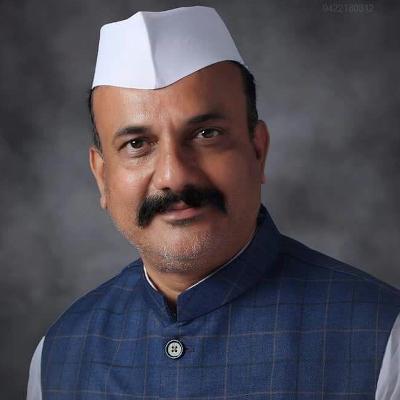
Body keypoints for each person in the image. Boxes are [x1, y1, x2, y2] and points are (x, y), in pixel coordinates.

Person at [27, 6, 400, 399]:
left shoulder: (382, 339)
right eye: (137, 144)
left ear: (258, 151)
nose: (174, 176)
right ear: (102, 176)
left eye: (206, 134)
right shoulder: (59, 354)